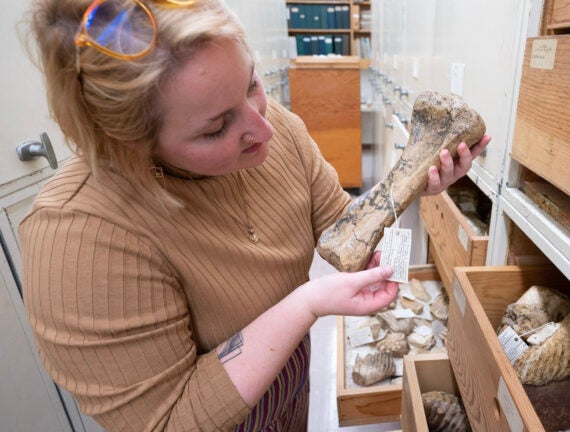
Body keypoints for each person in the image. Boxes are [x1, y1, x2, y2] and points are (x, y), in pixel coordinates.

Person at [20, 0, 491, 430]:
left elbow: (343, 228)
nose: (262, 128)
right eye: (216, 128)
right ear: (129, 142)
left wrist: (412, 184)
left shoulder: (278, 128)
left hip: (286, 385)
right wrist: (305, 305)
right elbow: (167, 420)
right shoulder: (80, 236)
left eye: (252, 85)